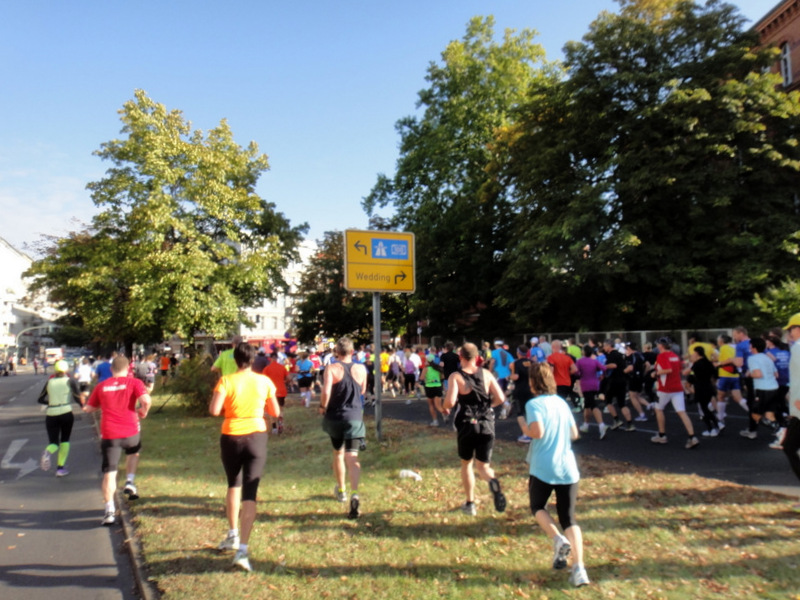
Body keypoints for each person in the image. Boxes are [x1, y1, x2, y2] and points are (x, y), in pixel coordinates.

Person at [210, 342, 280, 572]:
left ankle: (232, 533)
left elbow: (214, 410)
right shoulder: (264, 381)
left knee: (233, 484)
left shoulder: (227, 381)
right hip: (256, 436)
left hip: (231, 435)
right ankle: (243, 549)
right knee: (250, 491)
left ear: (235, 359)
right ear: (253, 360)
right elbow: (276, 412)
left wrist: (232, 407)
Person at [521, 362, 589, 587]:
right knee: (569, 517)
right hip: (567, 466)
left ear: (533, 382)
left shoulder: (533, 404)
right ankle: (579, 569)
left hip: (543, 466)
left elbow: (537, 432)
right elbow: (574, 433)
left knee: (538, 507)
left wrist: (523, 425)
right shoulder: (561, 402)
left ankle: (558, 540)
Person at [83, 355, 152, 526]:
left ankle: (109, 511)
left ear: (111, 369)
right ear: (129, 369)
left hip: (109, 434)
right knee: (133, 452)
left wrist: (95, 403)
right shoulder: (134, 383)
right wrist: (143, 411)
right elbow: (146, 400)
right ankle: (129, 481)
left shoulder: (101, 386)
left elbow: (89, 408)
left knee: (109, 472)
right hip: (130, 430)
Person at [441, 342, 507, 516]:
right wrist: (488, 406)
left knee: (467, 463)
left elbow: (450, 402)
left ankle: (470, 503)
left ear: (460, 357)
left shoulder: (456, 376)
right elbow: (500, 397)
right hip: (486, 422)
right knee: (484, 466)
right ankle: (493, 483)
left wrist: (445, 406)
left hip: (467, 423)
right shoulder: (486, 374)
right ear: (477, 357)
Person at [319, 337, 367, 519]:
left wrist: (323, 406)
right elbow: (362, 390)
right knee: (352, 456)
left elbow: (326, 392)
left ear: (336, 352)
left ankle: (341, 490)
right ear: (352, 352)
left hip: (335, 417)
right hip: (354, 417)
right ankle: (355, 493)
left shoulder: (331, 368)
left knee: (338, 453)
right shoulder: (361, 369)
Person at [650, 337, 700, 448]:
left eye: (658, 345)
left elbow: (668, 370)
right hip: (677, 388)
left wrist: (655, 373)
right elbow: (680, 368)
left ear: (661, 346)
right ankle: (692, 437)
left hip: (665, 388)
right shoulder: (674, 356)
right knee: (682, 412)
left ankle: (662, 435)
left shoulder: (662, 355)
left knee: (658, 409)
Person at [38, 360, 82, 476]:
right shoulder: (70, 381)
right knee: (65, 440)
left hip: (51, 414)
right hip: (66, 412)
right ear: (66, 370)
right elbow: (77, 397)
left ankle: (48, 452)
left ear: (55, 370)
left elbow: (40, 399)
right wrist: (84, 407)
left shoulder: (49, 382)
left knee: (54, 442)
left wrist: (51, 402)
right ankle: (60, 468)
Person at [740, 336, 780, 441]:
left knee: (755, 414)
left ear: (753, 347)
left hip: (762, 389)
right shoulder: (768, 358)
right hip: (774, 387)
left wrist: (749, 374)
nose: (749, 347)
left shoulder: (752, 358)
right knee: (770, 414)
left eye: (750, 345)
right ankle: (780, 436)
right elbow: (776, 374)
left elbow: (758, 374)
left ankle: (780, 430)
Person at [782, 314, 800, 510]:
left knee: (789, 446)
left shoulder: (798, 347)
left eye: (791, 329)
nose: (789, 333)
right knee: (790, 446)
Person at [684, 346, 720, 437]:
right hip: (709, 387)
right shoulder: (708, 362)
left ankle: (713, 428)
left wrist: (688, 384)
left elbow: (692, 377)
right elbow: (715, 374)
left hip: (700, 388)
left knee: (704, 410)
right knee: (706, 408)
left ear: (696, 353)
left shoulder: (696, 365)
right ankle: (715, 426)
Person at [575, 345, 608, 439]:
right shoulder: (594, 361)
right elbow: (604, 368)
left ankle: (601, 425)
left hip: (586, 385)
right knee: (587, 404)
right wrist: (602, 375)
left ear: (584, 352)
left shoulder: (580, 361)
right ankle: (586, 424)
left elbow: (577, 372)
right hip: (594, 384)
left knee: (593, 405)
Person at [510, 344, 534, 443]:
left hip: (520, 389)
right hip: (532, 389)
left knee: (520, 412)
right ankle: (532, 432)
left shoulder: (516, 363)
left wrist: (510, 375)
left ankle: (526, 434)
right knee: (530, 412)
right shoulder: (532, 362)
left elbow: (516, 377)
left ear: (518, 353)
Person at [263, 352, 289, 433]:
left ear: (270, 358)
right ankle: (280, 423)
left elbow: (263, 380)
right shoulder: (282, 367)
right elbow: (288, 378)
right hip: (281, 391)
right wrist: (284, 381)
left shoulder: (267, 368)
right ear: (277, 358)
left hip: (270, 392)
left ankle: (274, 427)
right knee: (280, 409)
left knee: (271, 410)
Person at [421, 352, 444, 426]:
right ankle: (444, 413)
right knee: (438, 405)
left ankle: (435, 421)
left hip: (429, 387)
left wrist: (426, 379)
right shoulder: (438, 368)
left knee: (431, 405)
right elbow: (442, 377)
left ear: (427, 360)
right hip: (438, 386)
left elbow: (421, 378)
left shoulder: (426, 369)